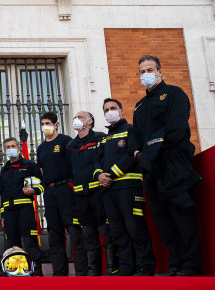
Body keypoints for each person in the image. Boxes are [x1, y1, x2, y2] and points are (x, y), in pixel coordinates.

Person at [128, 55, 203, 276]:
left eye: (150, 69)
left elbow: (175, 130)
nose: (146, 74)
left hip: (173, 165)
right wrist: (138, 153)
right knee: (164, 222)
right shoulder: (140, 105)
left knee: (182, 219)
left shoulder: (174, 94)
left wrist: (149, 148)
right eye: (142, 71)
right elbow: (137, 138)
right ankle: (175, 265)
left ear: (160, 71)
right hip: (151, 170)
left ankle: (190, 265)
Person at [95, 98, 156, 276]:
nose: (109, 112)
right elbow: (97, 161)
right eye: (106, 109)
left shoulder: (131, 130)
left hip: (128, 187)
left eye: (113, 108)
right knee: (117, 231)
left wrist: (111, 174)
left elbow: (132, 155)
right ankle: (127, 266)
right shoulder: (104, 138)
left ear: (121, 111)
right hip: (108, 190)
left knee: (135, 227)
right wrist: (99, 175)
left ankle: (145, 265)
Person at [36, 112, 87, 276]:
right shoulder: (41, 147)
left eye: (48, 123)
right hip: (49, 193)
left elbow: (75, 164)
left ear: (56, 125)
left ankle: (82, 272)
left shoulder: (65, 141)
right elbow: (42, 170)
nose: (45, 127)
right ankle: (59, 274)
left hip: (66, 189)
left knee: (74, 231)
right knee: (54, 233)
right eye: (43, 123)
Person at [66, 111, 116, 276]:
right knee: (87, 235)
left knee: (105, 231)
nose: (76, 120)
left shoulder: (99, 138)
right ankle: (93, 270)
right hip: (80, 197)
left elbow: (103, 161)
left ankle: (111, 268)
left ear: (89, 121)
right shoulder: (71, 145)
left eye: (79, 117)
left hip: (98, 193)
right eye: (75, 117)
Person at [0, 137, 44, 276]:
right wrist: (2, 215)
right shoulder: (4, 169)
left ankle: (36, 269)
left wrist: (35, 191)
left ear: (19, 148)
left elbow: (42, 183)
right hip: (9, 212)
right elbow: (2, 193)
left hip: (25, 209)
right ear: (4, 150)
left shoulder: (29, 165)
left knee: (30, 240)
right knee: (11, 242)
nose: (10, 148)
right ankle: (13, 270)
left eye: (13, 146)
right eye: (7, 147)